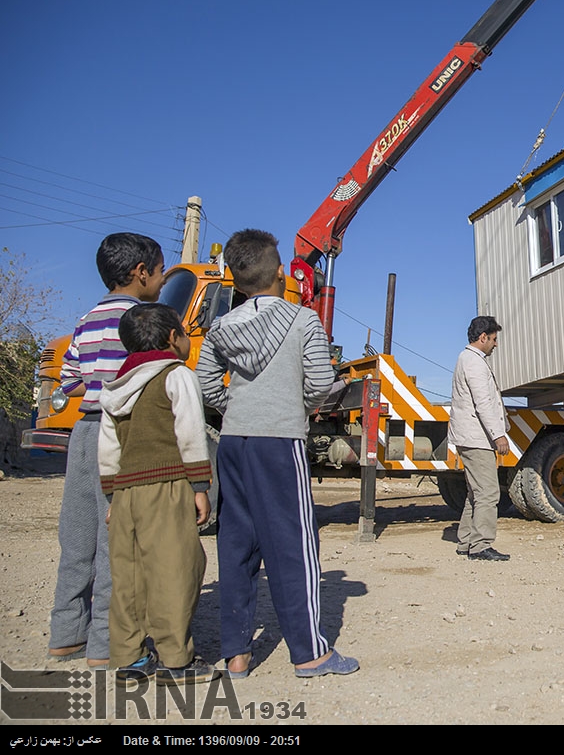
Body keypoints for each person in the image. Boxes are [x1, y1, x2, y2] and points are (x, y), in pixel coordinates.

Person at [197, 229, 357, 678]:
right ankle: (311, 654)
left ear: (236, 279)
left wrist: (238, 408)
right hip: (280, 442)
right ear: (282, 272)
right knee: (293, 546)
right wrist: (294, 408)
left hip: (233, 443)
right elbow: (321, 384)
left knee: (236, 545)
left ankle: (237, 655)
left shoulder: (221, 328)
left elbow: (206, 384)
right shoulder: (303, 321)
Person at [48, 233, 165, 669]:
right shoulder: (143, 321)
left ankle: (65, 634)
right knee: (118, 540)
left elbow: (70, 382)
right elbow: (149, 379)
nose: (162, 276)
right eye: (159, 270)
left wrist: (96, 383)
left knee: (77, 536)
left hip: (84, 432)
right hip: (122, 433)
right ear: (141, 274)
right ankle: (107, 641)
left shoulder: (85, 319)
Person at [98, 304, 213, 683]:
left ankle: (129, 657)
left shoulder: (115, 386)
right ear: (172, 338)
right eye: (183, 332)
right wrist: (199, 486)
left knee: (128, 575)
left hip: (126, 491)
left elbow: (108, 447)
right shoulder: (177, 374)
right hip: (167, 486)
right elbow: (191, 431)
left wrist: (113, 496)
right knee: (174, 568)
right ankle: (175, 659)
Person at [448, 316, 511, 561]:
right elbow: (483, 402)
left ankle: (466, 542)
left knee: (476, 493)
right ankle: (481, 545)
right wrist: (498, 435)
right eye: (494, 339)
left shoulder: (468, 360)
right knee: (488, 492)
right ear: (483, 337)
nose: (496, 344)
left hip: (471, 436)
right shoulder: (473, 362)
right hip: (477, 438)